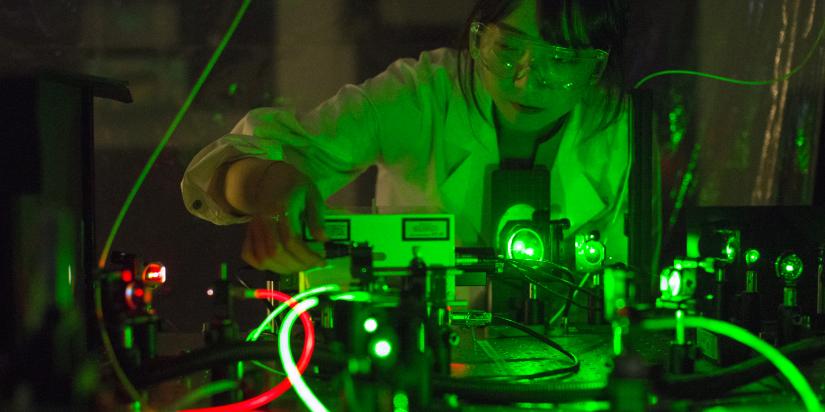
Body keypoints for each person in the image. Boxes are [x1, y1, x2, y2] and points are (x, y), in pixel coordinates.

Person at [181, 0, 631, 276]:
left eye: (561, 59)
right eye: (508, 48)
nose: (526, 81)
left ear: (596, 66)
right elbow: (228, 170)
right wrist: (269, 187)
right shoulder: (420, 97)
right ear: (478, 37)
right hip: (416, 358)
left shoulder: (617, 131)